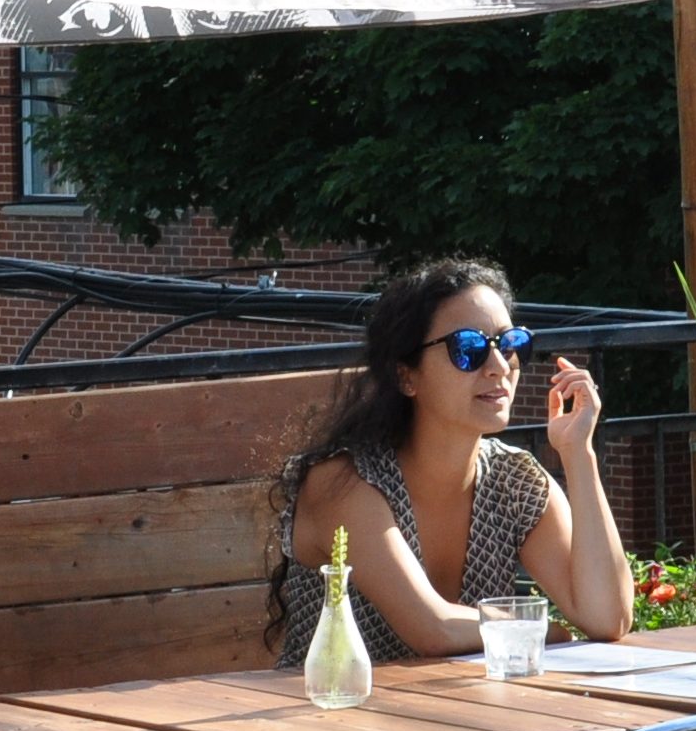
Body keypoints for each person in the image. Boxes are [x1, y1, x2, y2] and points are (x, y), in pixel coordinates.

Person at [270, 258, 634, 662]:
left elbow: (607, 618)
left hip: (461, 713)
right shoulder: (345, 482)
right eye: (468, 349)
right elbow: (433, 629)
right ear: (406, 375)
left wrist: (578, 453)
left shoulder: (514, 481)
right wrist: (540, 629)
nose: (498, 367)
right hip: (330, 714)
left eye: (510, 344)